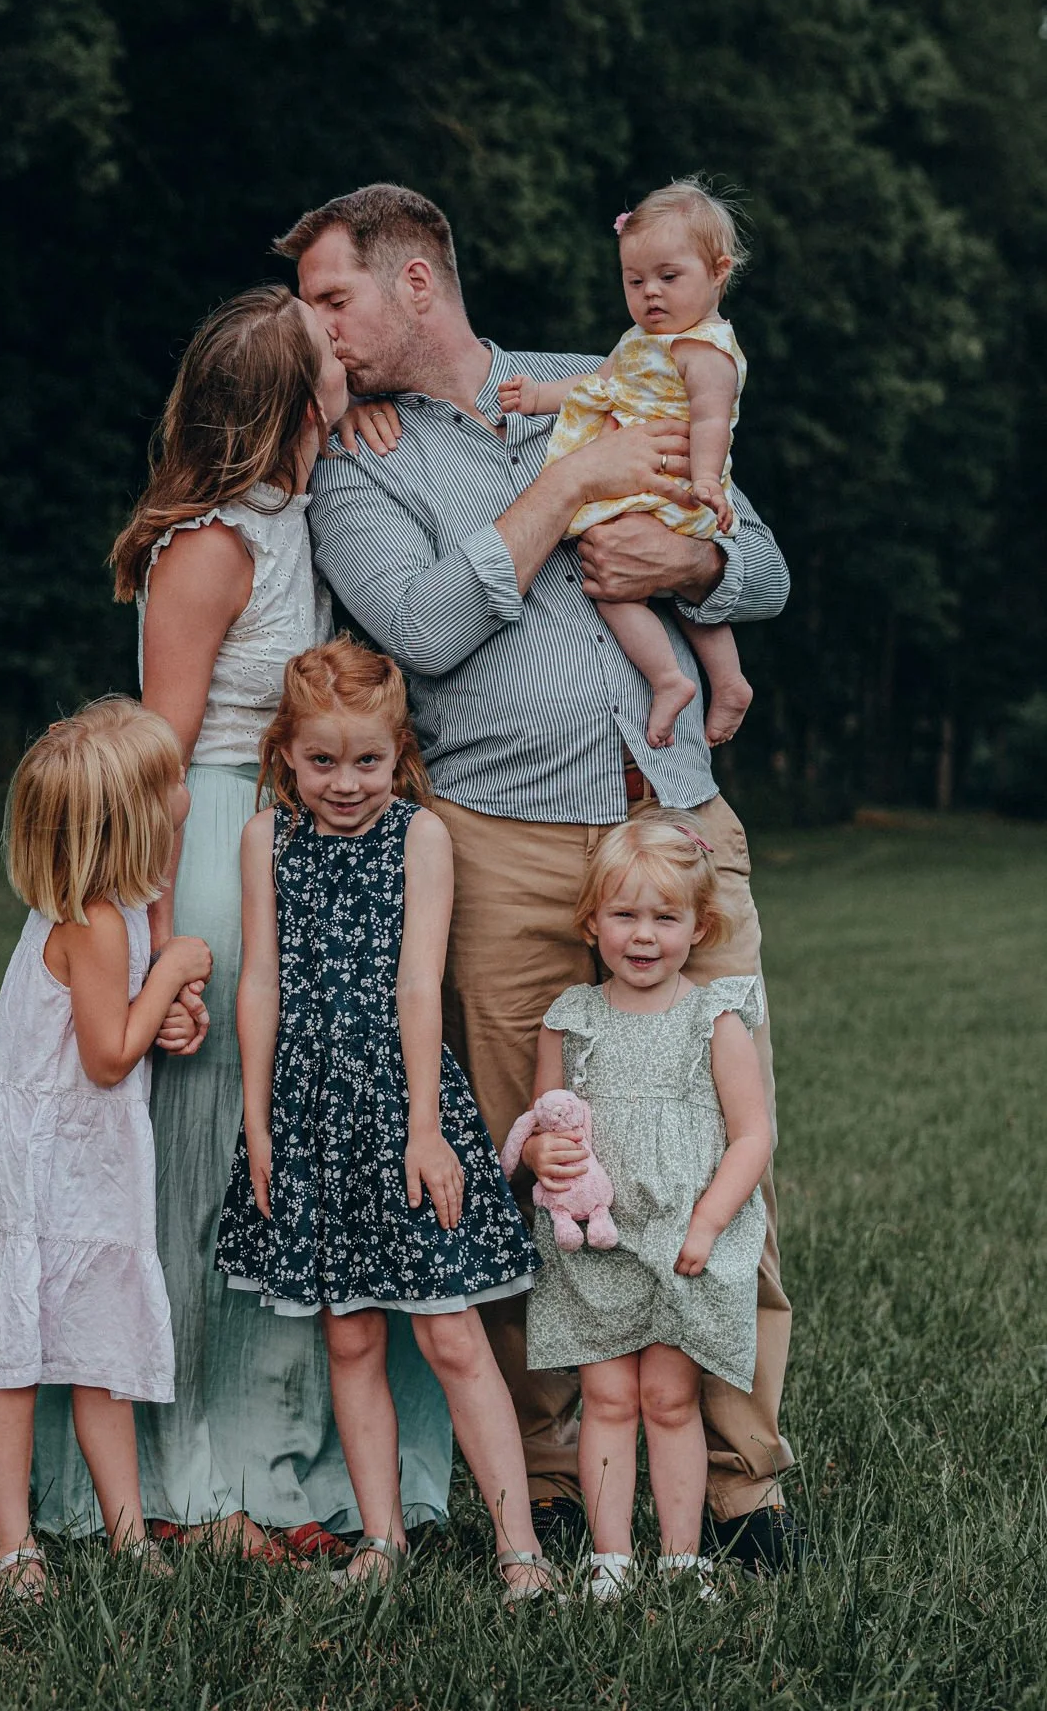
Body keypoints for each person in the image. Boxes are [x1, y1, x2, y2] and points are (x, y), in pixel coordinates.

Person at [279, 182, 802, 1573]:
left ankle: (737, 1490)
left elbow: (764, 561)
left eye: (332, 301)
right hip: (501, 845)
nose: (313, 332)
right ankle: (569, 1485)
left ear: (413, 285)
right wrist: (565, 485)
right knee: (538, 1163)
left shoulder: (607, 374)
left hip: (671, 820)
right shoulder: (358, 466)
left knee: (713, 1144)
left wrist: (694, 554)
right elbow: (423, 629)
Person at [31, 286, 451, 1557]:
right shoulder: (210, 543)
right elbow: (156, 752)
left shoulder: (298, 506)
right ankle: (204, 1476)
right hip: (210, 842)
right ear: (286, 398)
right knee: (217, 1154)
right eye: (332, 352)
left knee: (306, 1145)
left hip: (297, 838)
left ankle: (303, 1460)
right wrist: (161, 945)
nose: (352, 353)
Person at [216, 638, 557, 1597]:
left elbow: (418, 986)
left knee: (450, 1332)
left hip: (401, 1105)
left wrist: (424, 1128)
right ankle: (379, 1542)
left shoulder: (420, 837)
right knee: (350, 1333)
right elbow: (259, 987)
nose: (345, 782)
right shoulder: (266, 841)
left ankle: (519, 1549)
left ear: (397, 750)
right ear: (285, 752)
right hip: (305, 1112)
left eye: (366, 759)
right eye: (322, 760)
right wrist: (257, 1120)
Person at [0, 698, 212, 1599]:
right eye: (169, 786)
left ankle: (127, 1537)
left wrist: (164, 1004)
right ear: (131, 821)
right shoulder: (98, 924)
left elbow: (121, 1029)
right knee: (14, 1364)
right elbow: (108, 1055)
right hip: (45, 1165)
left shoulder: (105, 901)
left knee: (96, 1354)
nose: (185, 795)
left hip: (77, 1161)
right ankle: (14, 1549)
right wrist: (172, 974)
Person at [516, 812, 771, 1601]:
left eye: (665, 917)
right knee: (606, 1396)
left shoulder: (713, 1017)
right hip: (597, 1243)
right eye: (624, 915)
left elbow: (752, 1134)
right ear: (591, 923)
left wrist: (707, 1222)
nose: (643, 935)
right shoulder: (571, 1017)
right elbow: (542, 1120)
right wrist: (534, 1155)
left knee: (668, 1397)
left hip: (684, 1239)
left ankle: (682, 1560)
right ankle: (610, 1559)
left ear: (699, 926)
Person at [497, 179, 753, 749]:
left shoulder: (705, 353)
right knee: (646, 579)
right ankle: (726, 680)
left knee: (617, 581)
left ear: (718, 272)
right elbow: (598, 384)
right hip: (633, 475)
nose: (650, 294)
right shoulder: (642, 340)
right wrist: (537, 397)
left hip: (672, 485)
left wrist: (708, 481)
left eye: (668, 277)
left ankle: (674, 679)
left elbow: (712, 423)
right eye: (635, 281)